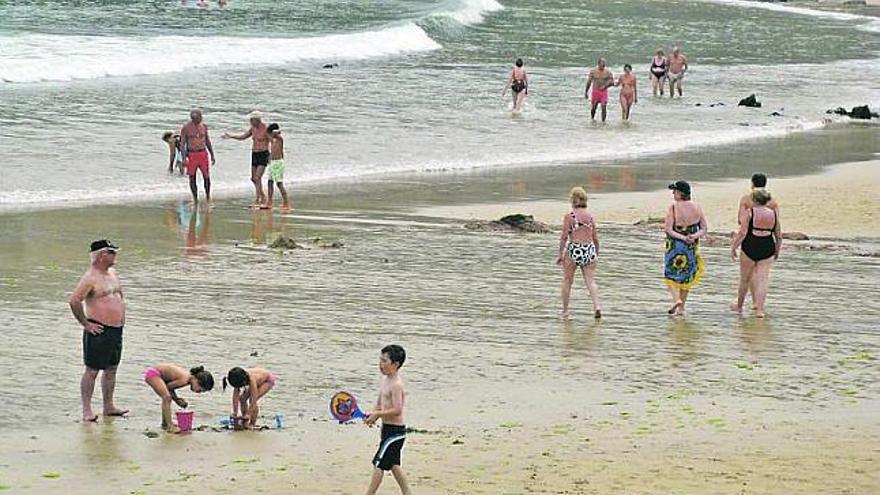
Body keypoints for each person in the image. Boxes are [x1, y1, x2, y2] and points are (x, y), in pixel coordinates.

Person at [68, 240, 129, 422]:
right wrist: (86, 324)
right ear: (102, 255)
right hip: (98, 330)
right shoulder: (90, 278)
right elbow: (74, 301)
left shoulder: (113, 273)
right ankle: (87, 410)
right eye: (112, 253)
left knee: (112, 369)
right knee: (92, 370)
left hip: (116, 330)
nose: (115, 256)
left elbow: (119, 296)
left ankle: (108, 405)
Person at [364, 345, 412, 495]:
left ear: (396, 364)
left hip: (396, 433)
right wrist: (372, 414)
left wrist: (378, 414)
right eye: (380, 360)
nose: (381, 364)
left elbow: (397, 410)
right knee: (393, 464)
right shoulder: (385, 380)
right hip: (387, 430)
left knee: (378, 462)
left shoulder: (397, 385)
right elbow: (380, 402)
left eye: (385, 361)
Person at [730, 190, 781, 318]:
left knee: (744, 279)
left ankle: (739, 305)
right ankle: (760, 310)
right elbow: (779, 235)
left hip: (750, 245)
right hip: (767, 245)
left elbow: (742, 232)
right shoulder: (773, 214)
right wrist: (777, 250)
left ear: (754, 200)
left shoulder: (750, 213)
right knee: (762, 280)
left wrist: (734, 247)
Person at [556, 187, 601, 319]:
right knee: (591, 281)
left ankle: (565, 311)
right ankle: (596, 306)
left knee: (567, 281)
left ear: (573, 199)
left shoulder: (569, 216)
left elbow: (564, 237)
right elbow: (595, 238)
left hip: (575, 248)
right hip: (589, 249)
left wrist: (560, 254)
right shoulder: (590, 216)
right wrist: (596, 253)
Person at [663, 181, 707, 316]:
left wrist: (682, 238)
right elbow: (704, 228)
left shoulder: (674, 208)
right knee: (686, 276)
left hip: (676, 246)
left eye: (675, 191)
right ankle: (682, 309)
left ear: (680, 193)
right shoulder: (697, 207)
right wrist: (693, 236)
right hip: (691, 246)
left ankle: (677, 300)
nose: (673, 194)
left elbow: (668, 229)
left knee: (670, 275)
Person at [143, 364, 214, 432]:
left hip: (156, 374)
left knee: (167, 398)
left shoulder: (187, 378)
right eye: (200, 390)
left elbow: (169, 387)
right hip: (154, 374)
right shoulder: (184, 379)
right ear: (196, 379)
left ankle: (165, 424)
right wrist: (176, 400)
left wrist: (177, 399)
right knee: (167, 398)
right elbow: (168, 387)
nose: (198, 392)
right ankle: (169, 425)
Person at [224, 111, 270, 209]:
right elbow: (243, 137)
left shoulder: (266, 129)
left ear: (257, 120)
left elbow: (273, 141)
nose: (250, 122)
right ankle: (263, 197)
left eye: (251, 120)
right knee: (253, 178)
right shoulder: (253, 128)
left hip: (264, 154)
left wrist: (274, 155)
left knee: (257, 178)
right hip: (255, 154)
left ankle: (257, 200)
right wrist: (231, 136)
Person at [179, 109, 216, 207]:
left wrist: (212, 154)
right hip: (192, 154)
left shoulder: (204, 126)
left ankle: (208, 197)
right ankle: (195, 199)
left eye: (200, 118)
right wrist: (183, 158)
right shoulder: (186, 128)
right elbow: (182, 144)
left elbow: (207, 141)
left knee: (206, 176)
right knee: (192, 177)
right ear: (192, 118)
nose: (199, 120)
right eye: (197, 118)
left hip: (203, 153)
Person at [266, 123, 290, 210]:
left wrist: (273, 132)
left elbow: (277, 132)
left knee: (279, 183)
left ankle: (286, 203)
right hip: (272, 162)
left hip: (278, 163)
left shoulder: (280, 139)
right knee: (270, 182)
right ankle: (269, 202)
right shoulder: (272, 140)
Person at [585, 57, 614, 122]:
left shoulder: (608, 72)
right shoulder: (593, 71)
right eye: (602, 64)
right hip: (595, 91)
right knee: (594, 108)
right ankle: (592, 119)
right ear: (598, 64)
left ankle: (603, 122)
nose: (603, 65)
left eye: (604, 64)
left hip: (603, 92)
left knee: (604, 107)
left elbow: (612, 82)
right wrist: (586, 92)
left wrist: (606, 85)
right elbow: (589, 82)